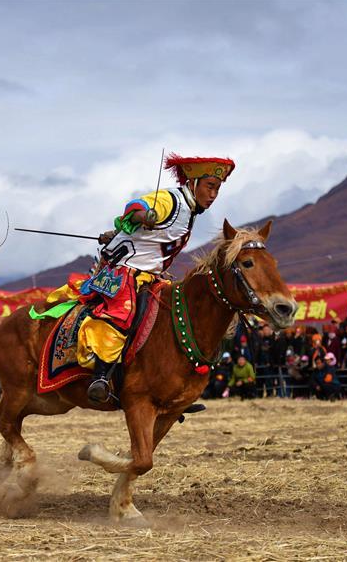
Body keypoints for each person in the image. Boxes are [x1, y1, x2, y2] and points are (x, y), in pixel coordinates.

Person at [77, 154, 235, 403]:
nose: (214, 195)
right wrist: (144, 216)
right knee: (122, 312)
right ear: (193, 184)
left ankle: (169, 388)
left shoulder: (190, 211)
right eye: (210, 186)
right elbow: (135, 206)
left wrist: (117, 232)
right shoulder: (170, 199)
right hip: (122, 272)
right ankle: (101, 376)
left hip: (151, 276)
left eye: (217, 189)